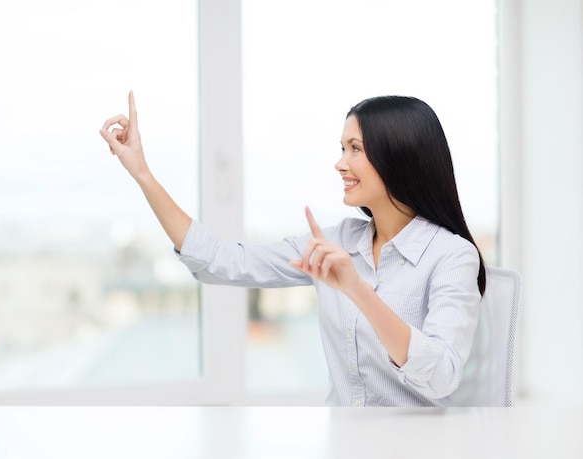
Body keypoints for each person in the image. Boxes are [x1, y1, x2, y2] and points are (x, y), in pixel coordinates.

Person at [100, 92, 486, 407]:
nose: (340, 163)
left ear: (398, 157)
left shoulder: (452, 257)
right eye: (342, 148)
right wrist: (142, 173)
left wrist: (357, 290)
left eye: (355, 149)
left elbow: (441, 377)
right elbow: (221, 261)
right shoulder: (338, 242)